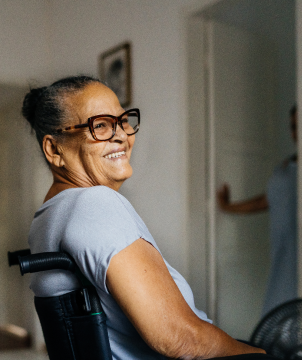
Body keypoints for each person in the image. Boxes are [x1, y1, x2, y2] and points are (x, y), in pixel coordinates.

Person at [22, 76, 271, 359]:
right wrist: (261, 354)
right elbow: (180, 338)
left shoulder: (48, 215)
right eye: (100, 125)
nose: (122, 135)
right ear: (54, 150)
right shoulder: (94, 203)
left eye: (123, 120)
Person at [217, 105, 298, 316]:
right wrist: (228, 206)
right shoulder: (286, 165)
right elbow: (268, 200)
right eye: (293, 126)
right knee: (278, 319)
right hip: (282, 257)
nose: (296, 131)